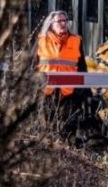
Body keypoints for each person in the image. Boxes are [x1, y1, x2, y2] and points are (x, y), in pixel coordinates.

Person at [34, 10, 87, 139]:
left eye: (65, 21)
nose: (63, 24)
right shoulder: (41, 40)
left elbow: (82, 67)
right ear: (51, 24)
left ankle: (67, 153)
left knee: (68, 127)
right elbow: (33, 66)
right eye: (59, 21)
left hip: (69, 91)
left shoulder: (76, 41)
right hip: (47, 90)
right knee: (47, 127)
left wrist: (82, 90)